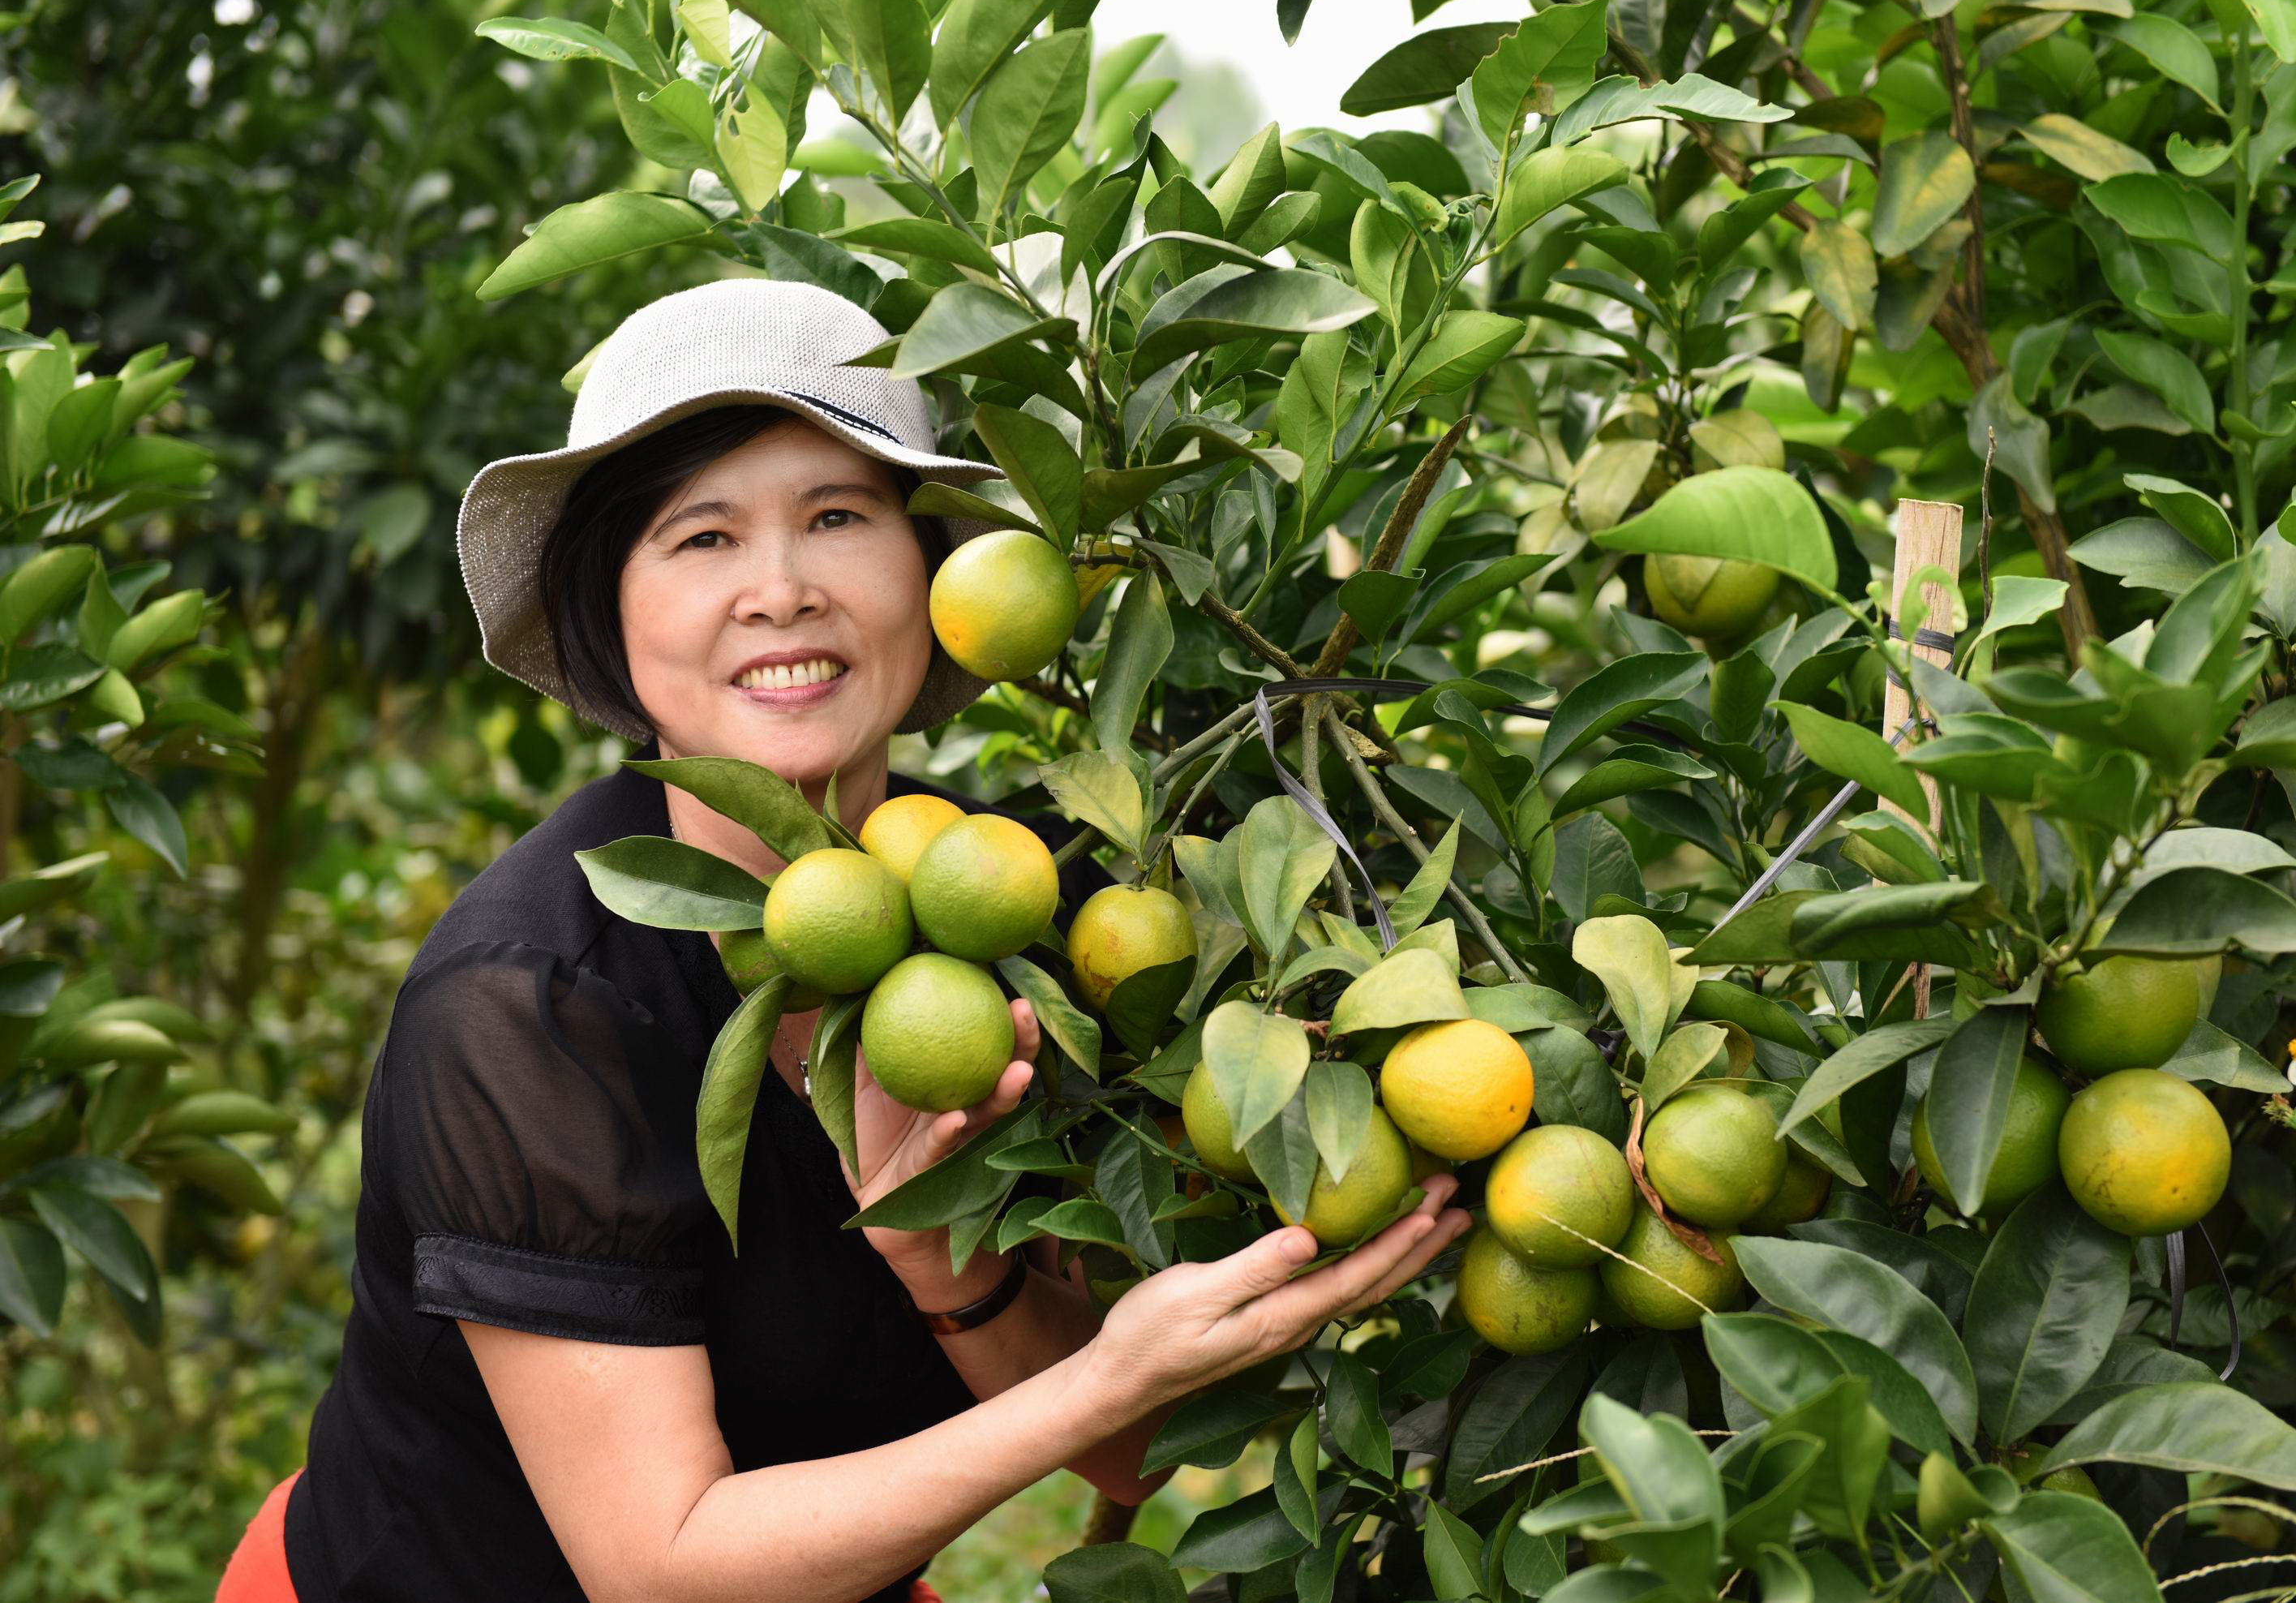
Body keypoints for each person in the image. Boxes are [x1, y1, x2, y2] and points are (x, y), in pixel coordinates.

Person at [214, 278, 1470, 1603]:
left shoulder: (1029, 910)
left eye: (837, 516)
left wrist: (944, 1260)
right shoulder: (534, 1006)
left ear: (932, 570)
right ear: (611, 609)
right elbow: (662, 1563)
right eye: (702, 538)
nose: (781, 590)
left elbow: (1136, 1452)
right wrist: (1104, 1368)